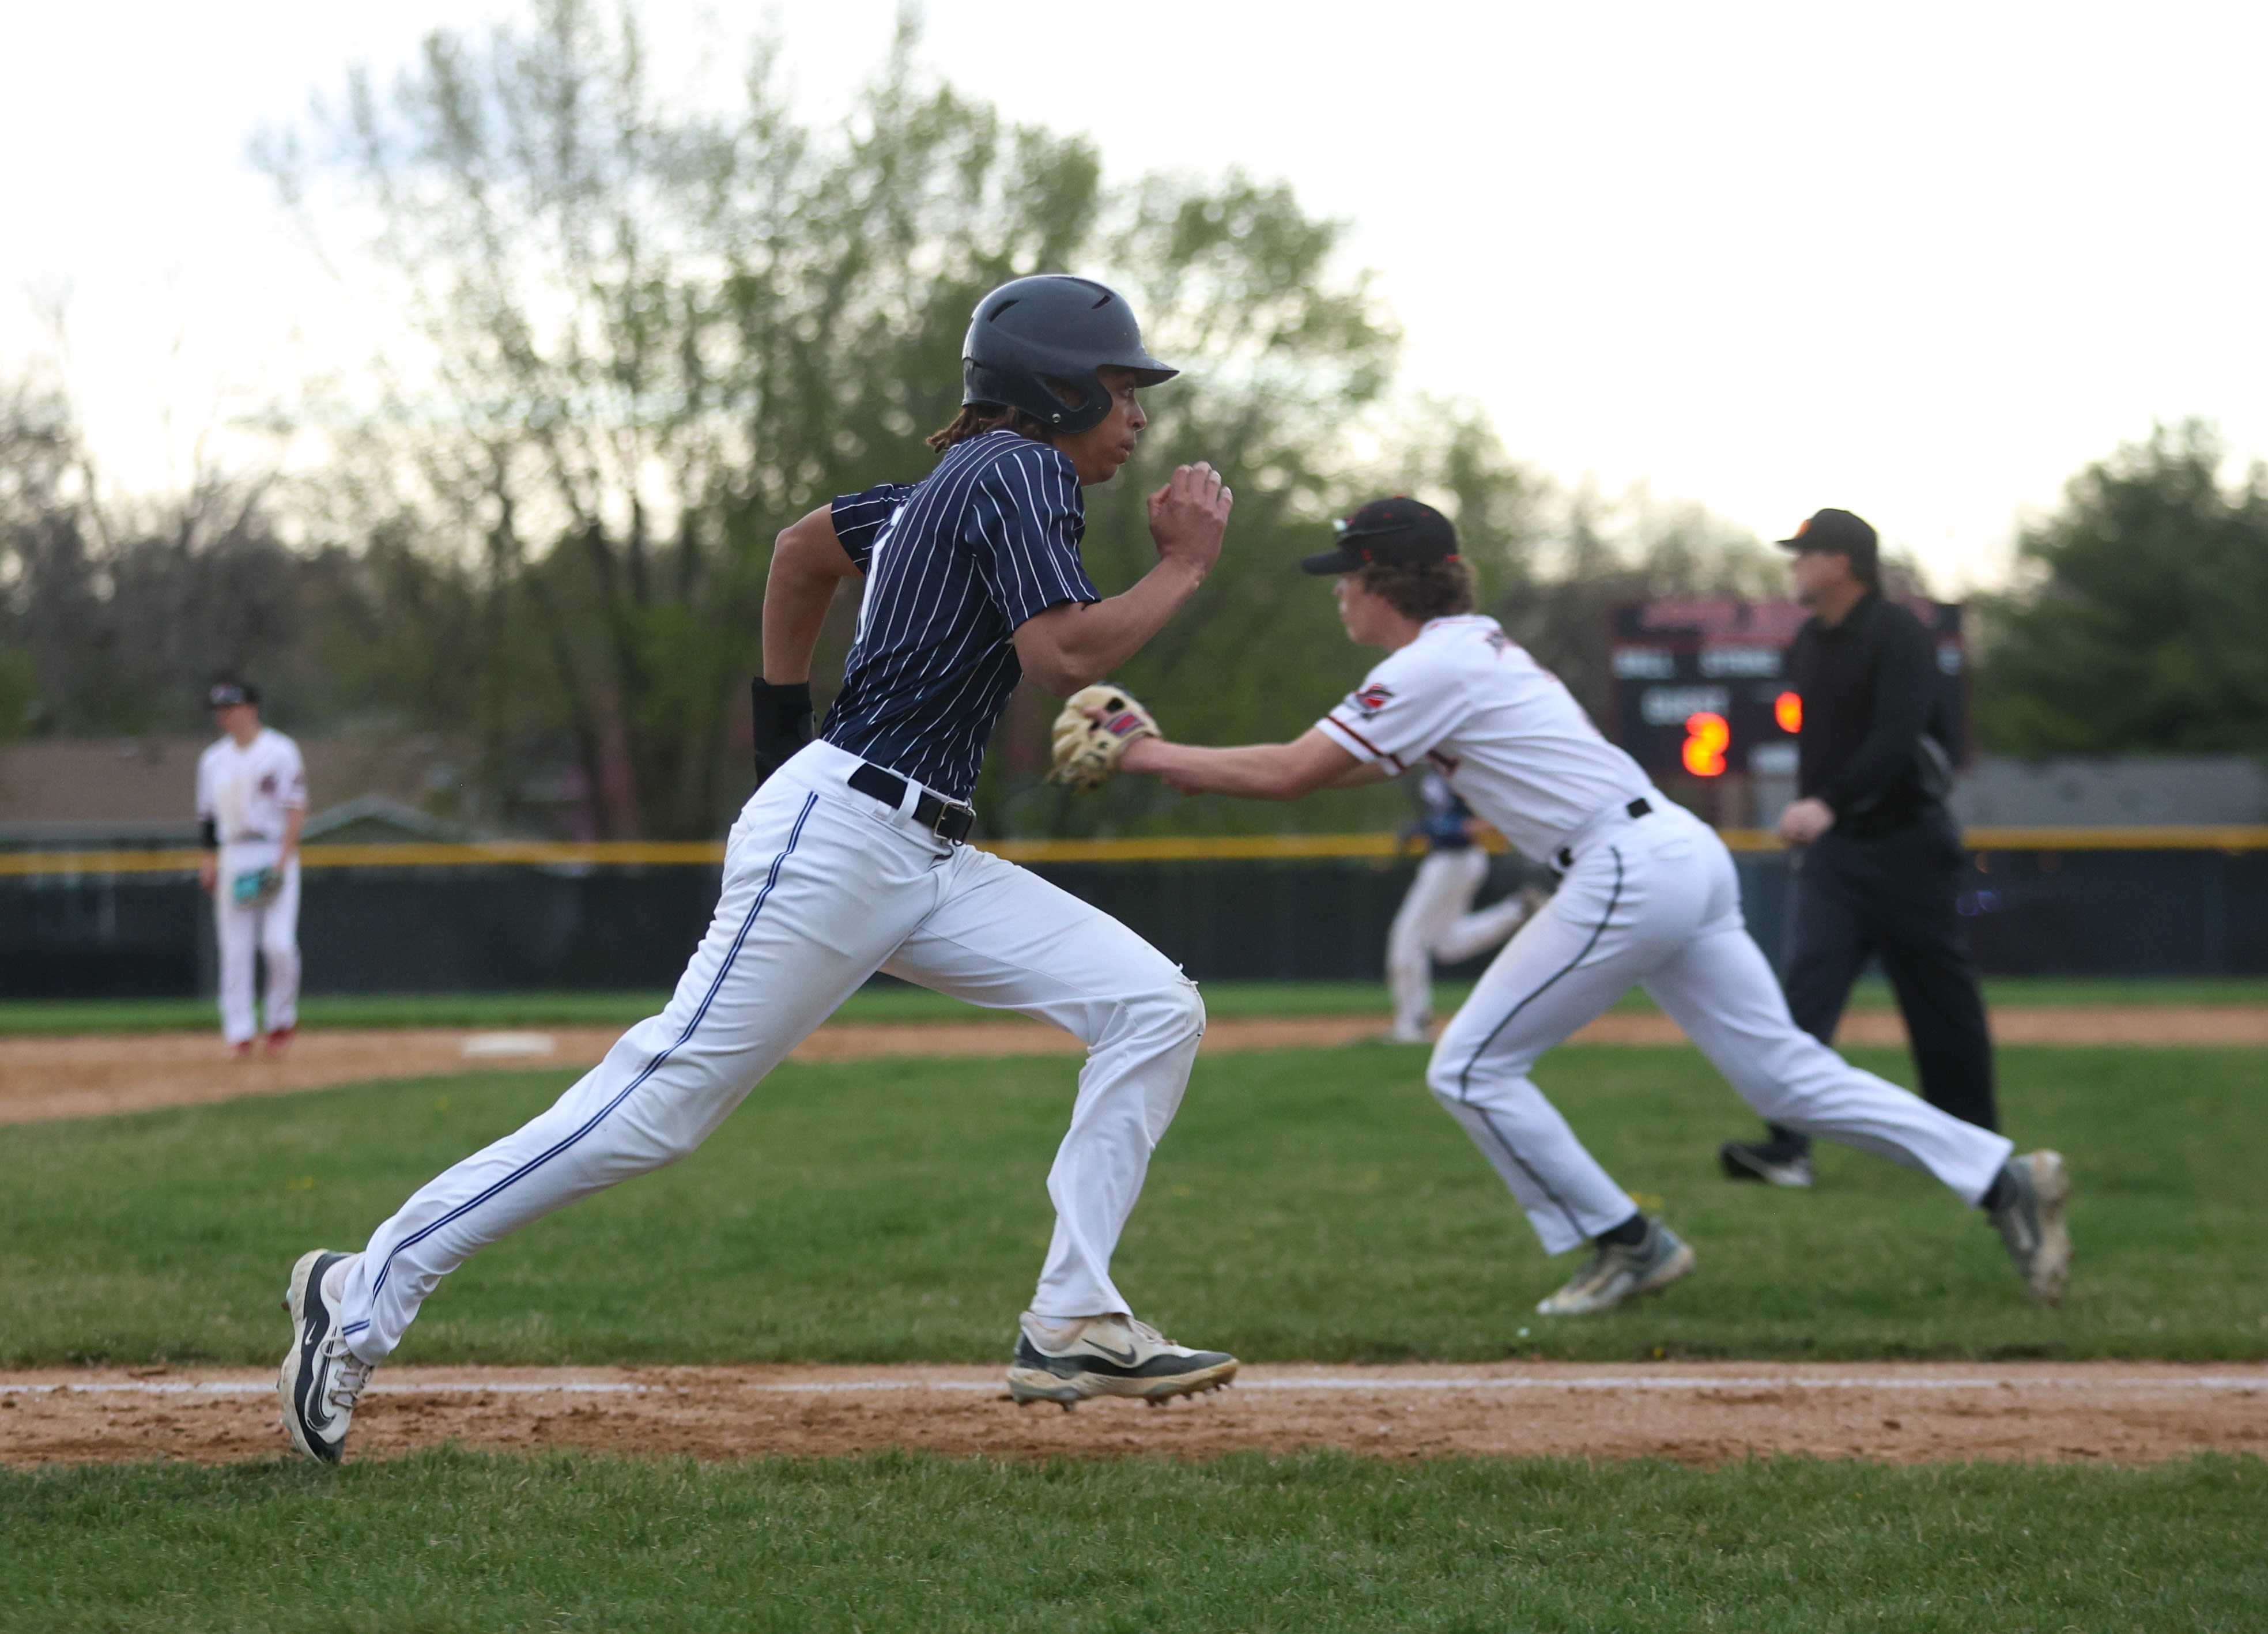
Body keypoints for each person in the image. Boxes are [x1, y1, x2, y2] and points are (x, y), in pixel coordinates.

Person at [278, 275, 1240, 1465]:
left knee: (1151, 1005)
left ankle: (1072, 1316)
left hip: (911, 846)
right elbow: (1061, 655)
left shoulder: (953, 485)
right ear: (1052, 388)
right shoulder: (1020, 470)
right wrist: (1184, 566)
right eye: (1119, 386)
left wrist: (782, 751)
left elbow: (800, 552)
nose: (1137, 413)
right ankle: (362, 1291)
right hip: (852, 836)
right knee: (657, 1107)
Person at [1105, 497, 2069, 1318]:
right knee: (1784, 1081)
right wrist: (1180, 765)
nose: (1336, 591)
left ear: (1383, 581)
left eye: (1344, 574)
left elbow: (1292, 774)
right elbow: (1298, 768)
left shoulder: (1426, 667)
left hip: (1624, 867)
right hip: (1675, 851)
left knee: (1471, 1068)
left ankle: (1628, 1241)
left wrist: (1147, 756)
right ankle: (1998, 1174)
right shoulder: (1465, 646)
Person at [1718, 508, 1999, 1191]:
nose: (1794, 566)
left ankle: (1971, 1148)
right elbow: (1823, 747)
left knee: (1937, 1004)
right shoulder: (1811, 640)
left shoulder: (1899, 632)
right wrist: (1818, 819)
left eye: (1803, 555)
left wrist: (1827, 803)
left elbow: (1897, 735)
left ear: (1840, 562)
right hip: (1838, 854)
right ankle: (1788, 1147)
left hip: (1907, 844)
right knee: (1803, 999)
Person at [1382, 768, 1542, 1043]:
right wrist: (1422, 829)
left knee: (1407, 942)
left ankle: (1413, 1024)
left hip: (1454, 860)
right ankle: (1519, 909)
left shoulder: (1458, 766)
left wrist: (1452, 827)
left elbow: (1490, 813)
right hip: (1450, 861)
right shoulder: (1435, 770)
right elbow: (1439, 816)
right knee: (1446, 944)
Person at [195, 680, 307, 1059]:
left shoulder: (280, 750)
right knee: (235, 949)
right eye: (221, 709)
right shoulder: (213, 759)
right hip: (235, 853)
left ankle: (280, 1019)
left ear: (253, 708)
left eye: (233, 706)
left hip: (273, 848)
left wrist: (283, 859)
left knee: (278, 944)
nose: (226, 714)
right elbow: (207, 817)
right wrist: (209, 859)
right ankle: (239, 1031)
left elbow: (297, 808)